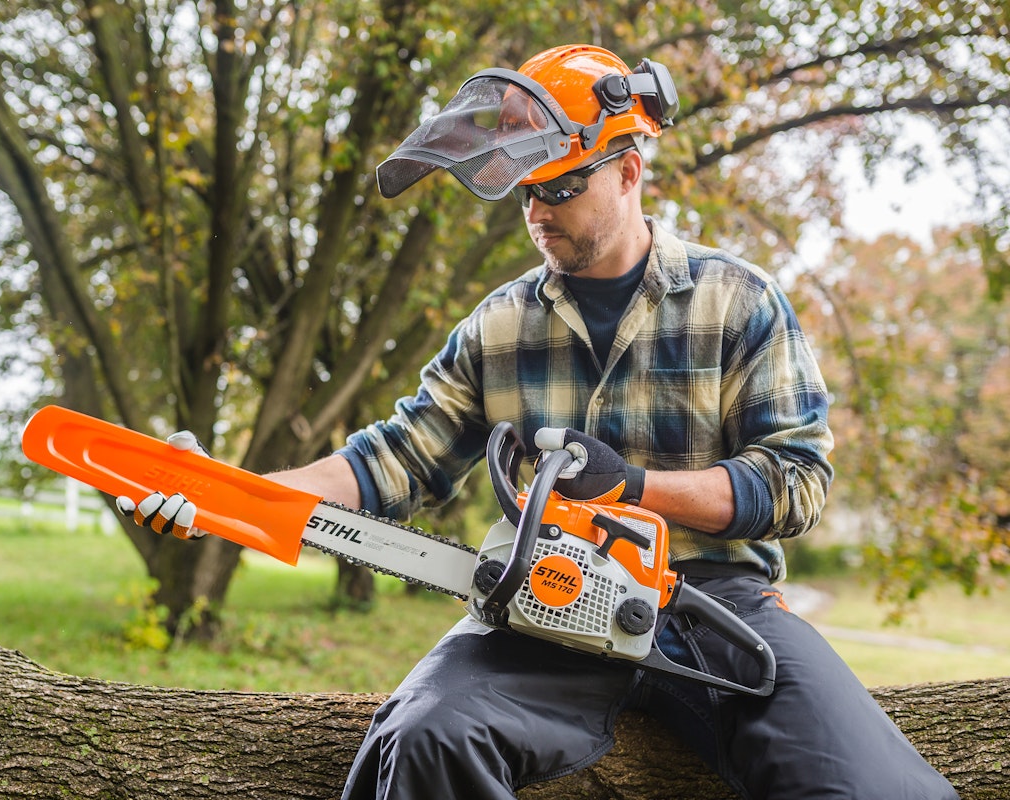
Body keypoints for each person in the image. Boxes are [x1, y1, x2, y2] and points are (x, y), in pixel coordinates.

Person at [117, 44, 958, 800]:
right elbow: (399, 458)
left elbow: (797, 480)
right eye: (526, 192)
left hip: (711, 598)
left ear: (629, 171)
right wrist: (232, 493)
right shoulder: (499, 324)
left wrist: (634, 488)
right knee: (422, 738)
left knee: (872, 784)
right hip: (544, 594)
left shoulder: (736, 299)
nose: (537, 211)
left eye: (560, 186)